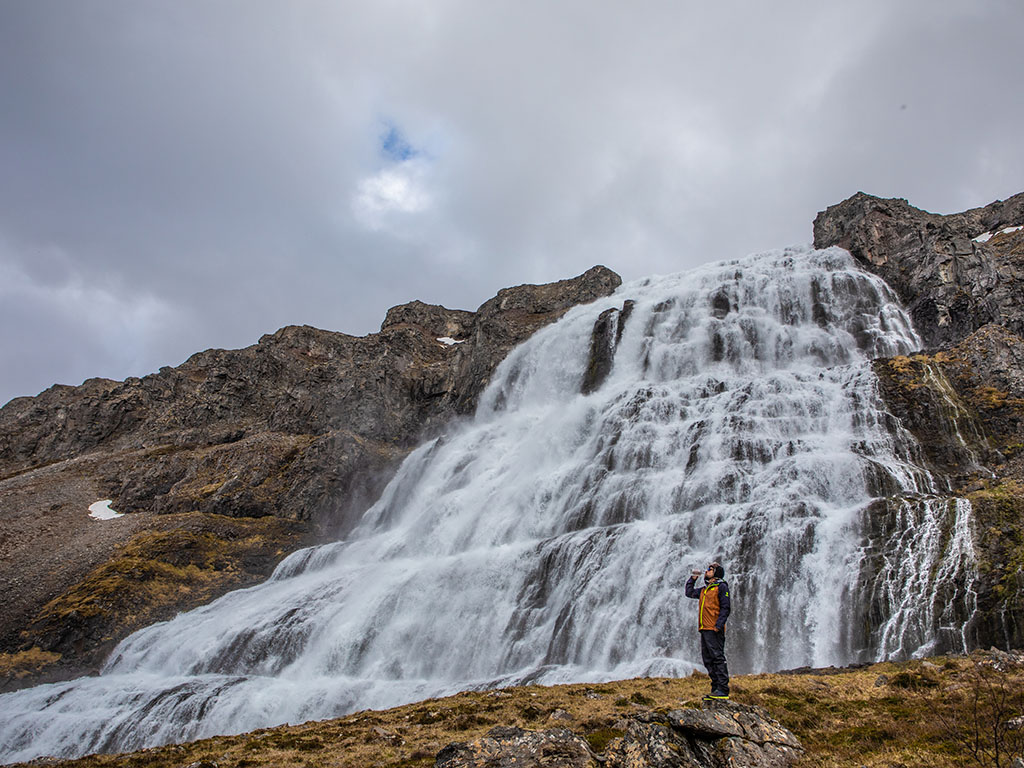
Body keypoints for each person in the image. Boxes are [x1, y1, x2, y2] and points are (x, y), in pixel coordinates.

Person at [685, 561, 731, 700]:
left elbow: (726, 607)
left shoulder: (721, 587)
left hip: (714, 628)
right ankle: (715, 687)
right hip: (704, 628)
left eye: (710, 570)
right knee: (708, 659)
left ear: (716, 573)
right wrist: (692, 579)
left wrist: (718, 625)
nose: (706, 571)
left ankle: (723, 689)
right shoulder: (705, 590)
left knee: (717, 657)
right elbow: (689, 593)